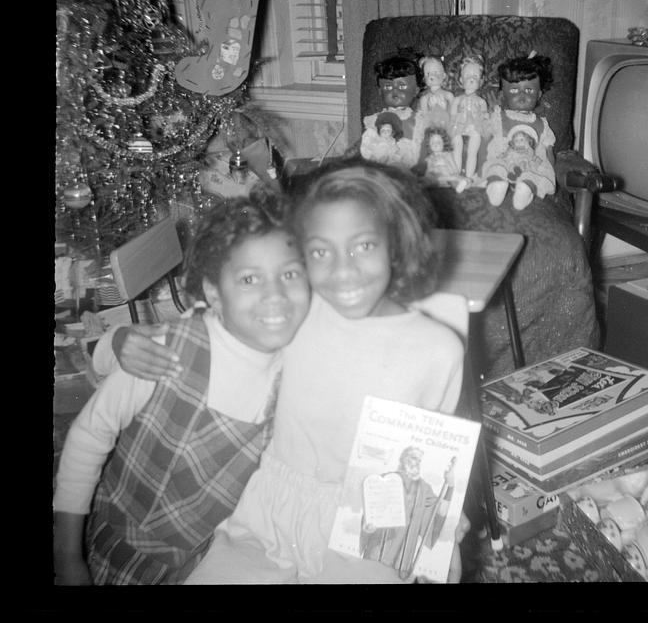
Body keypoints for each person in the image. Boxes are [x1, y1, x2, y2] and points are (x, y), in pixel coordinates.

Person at [107, 160, 468, 583]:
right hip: (269, 511)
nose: (343, 269)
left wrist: (448, 509)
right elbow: (205, 324)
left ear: (396, 242)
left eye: (364, 246)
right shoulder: (297, 310)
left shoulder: (438, 351)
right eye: (320, 252)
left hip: (371, 526)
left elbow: (443, 448)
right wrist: (118, 341)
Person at [52, 188, 311, 584]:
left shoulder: (294, 374)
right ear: (213, 292)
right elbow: (88, 438)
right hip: (105, 544)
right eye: (249, 279)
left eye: (290, 274)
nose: (274, 294)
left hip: (193, 564)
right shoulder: (167, 351)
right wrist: (68, 557)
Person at [360, 447, 456, 580]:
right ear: (402, 459)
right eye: (413, 458)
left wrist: (450, 485)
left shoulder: (424, 489)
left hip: (402, 565)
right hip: (376, 556)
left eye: (419, 460)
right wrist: (368, 528)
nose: (416, 462)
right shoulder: (383, 480)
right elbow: (368, 517)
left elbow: (437, 514)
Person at [484, 52, 558, 193]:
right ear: (502, 94)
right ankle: (496, 188)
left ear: (539, 94)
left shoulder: (542, 125)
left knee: (531, 178)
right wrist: (488, 112)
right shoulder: (498, 117)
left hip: (529, 167)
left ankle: (524, 192)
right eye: (514, 90)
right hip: (503, 162)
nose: (522, 96)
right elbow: (484, 136)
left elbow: (549, 154)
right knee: (496, 169)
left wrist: (552, 174)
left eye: (529, 90)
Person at [483, 125, 556, 210]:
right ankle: (497, 188)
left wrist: (537, 164)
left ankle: (523, 193)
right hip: (510, 167)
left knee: (528, 175)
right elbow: (504, 156)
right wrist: (502, 156)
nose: (519, 142)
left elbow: (537, 161)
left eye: (522, 140)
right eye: (516, 140)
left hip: (524, 169)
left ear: (529, 141)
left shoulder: (530, 153)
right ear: (513, 143)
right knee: (499, 168)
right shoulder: (511, 151)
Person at [449, 55, 491, 179]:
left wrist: (485, 116)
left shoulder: (481, 101)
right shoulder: (457, 99)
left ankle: (469, 175)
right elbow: (452, 115)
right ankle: (456, 173)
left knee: (474, 147)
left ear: (481, 81)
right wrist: (453, 125)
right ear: (461, 80)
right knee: (456, 142)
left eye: (476, 76)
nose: (471, 79)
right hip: (459, 125)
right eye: (467, 76)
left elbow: (484, 114)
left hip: (474, 126)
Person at [414, 126, 469, 193]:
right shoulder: (430, 158)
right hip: (436, 179)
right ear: (429, 144)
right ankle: (421, 186)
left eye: (438, 142)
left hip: (449, 178)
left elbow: (455, 169)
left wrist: (445, 163)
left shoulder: (448, 155)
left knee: (456, 180)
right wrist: (433, 167)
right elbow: (428, 172)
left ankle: (458, 187)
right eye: (432, 142)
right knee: (427, 180)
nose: (436, 144)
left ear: (444, 143)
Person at [414, 55, 453, 140]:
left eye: (436, 72)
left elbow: (454, 113)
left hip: (448, 127)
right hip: (432, 129)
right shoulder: (424, 98)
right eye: (428, 73)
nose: (432, 76)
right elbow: (424, 117)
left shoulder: (448, 95)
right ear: (424, 79)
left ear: (444, 75)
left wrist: (445, 110)